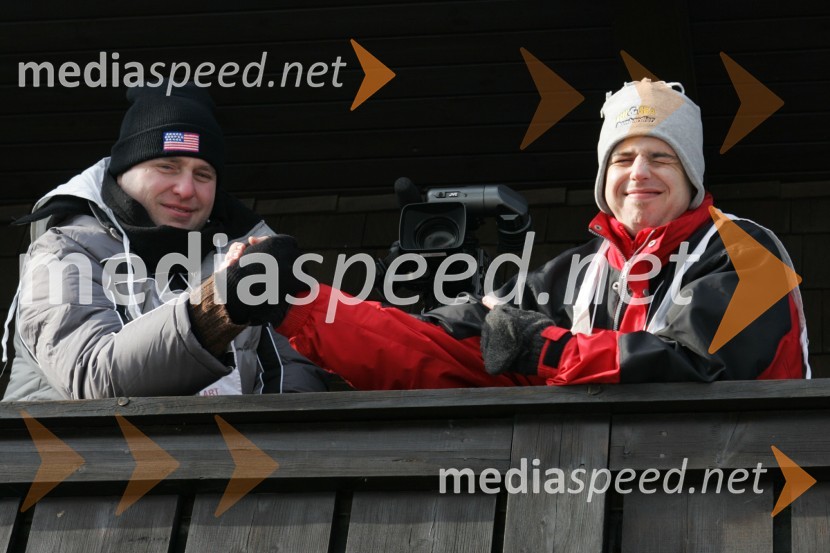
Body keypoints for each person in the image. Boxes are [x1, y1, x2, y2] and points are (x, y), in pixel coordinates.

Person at [267, 79, 810, 388]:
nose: (639, 173)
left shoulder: (748, 251)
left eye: (661, 157)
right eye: (622, 158)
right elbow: (433, 349)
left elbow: (691, 369)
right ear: (603, 179)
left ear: (691, 176)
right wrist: (299, 305)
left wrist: (542, 349)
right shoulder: (573, 274)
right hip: (590, 500)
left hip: (740, 501)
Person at [3, 83, 328, 401]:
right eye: (167, 167)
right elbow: (93, 378)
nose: (186, 189)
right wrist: (219, 306)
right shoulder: (61, 253)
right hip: (71, 453)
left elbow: (291, 370)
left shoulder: (246, 248)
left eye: (203, 175)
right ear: (123, 171)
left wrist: (276, 447)